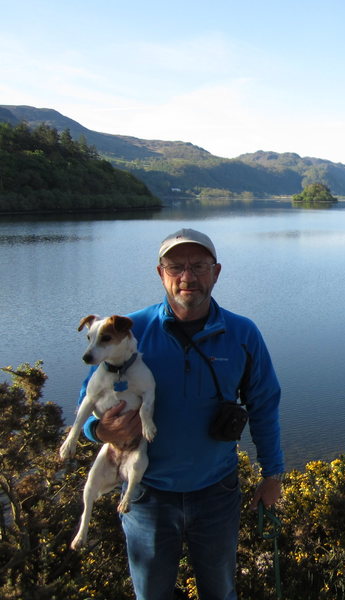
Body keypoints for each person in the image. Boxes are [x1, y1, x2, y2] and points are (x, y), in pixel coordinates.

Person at [80, 228, 284, 600]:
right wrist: (98, 429)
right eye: (176, 267)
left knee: (220, 592)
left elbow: (264, 404)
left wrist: (272, 474)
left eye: (198, 266)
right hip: (147, 495)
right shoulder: (128, 330)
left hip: (217, 493)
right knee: (152, 595)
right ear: (161, 274)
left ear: (216, 272)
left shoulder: (242, 334)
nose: (187, 277)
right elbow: (89, 394)